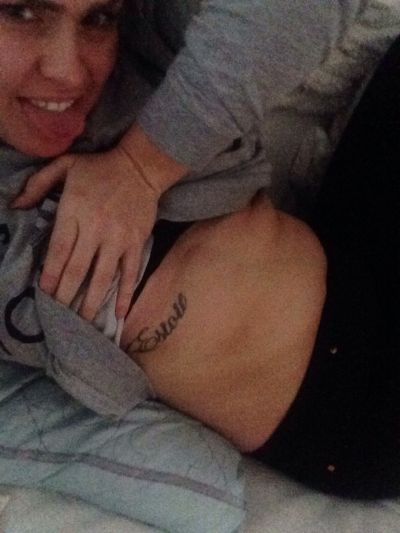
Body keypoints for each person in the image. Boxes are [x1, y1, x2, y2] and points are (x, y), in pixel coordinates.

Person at [0, 0, 399, 500]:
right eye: (20, 13)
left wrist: (140, 166)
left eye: (97, 17)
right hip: (356, 408)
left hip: (348, 247)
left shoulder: (134, 43)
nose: (69, 72)